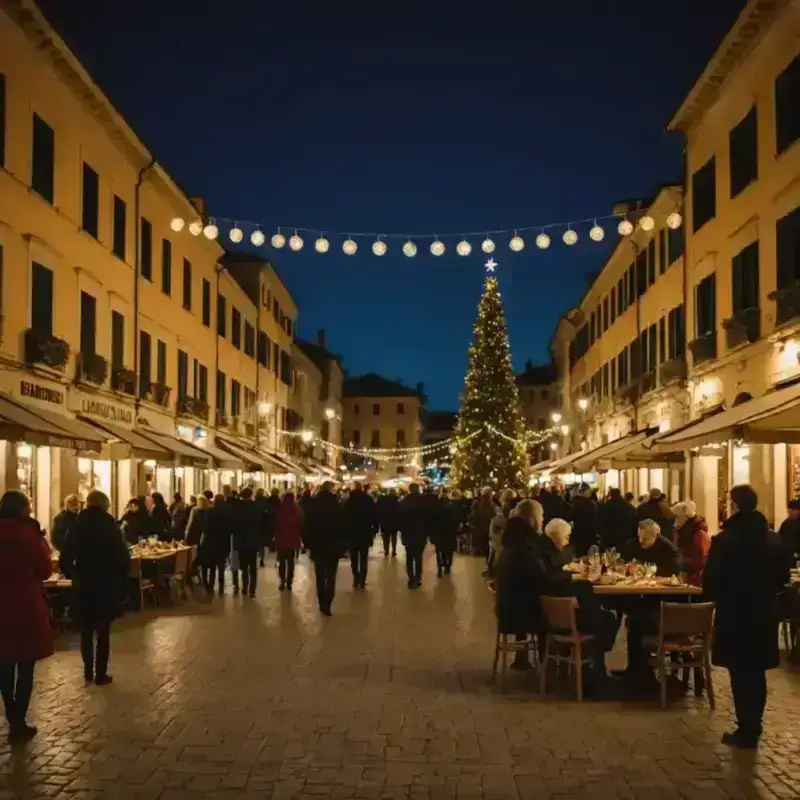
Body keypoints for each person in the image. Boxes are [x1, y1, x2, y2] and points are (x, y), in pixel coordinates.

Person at [704, 484, 792, 749]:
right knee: (756, 672)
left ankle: (746, 727)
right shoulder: (772, 538)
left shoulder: (725, 539)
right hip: (763, 613)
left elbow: (711, 581)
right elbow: (783, 578)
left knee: (740, 672)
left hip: (735, 614)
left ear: (734, 505)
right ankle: (754, 724)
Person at [59, 490, 130, 686]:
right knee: (103, 630)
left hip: (84, 583)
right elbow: (123, 557)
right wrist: (121, 579)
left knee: (86, 630)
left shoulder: (77, 525)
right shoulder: (110, 526)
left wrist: (72, 574)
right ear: (105, 504)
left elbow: (65, 556)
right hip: (106, 584)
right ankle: (101, 673)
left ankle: (87, 670)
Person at [0, 491, 53, 744]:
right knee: (25, 665)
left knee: (4, 664)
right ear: (23, 509)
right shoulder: (29, 533)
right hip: (25, 606)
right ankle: (18, 720)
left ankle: (12, 714)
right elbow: (45, 569)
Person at [304, 481, 345, 615]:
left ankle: (322, 601)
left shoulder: (313, 506)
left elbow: (307, 527)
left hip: (318, 546)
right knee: (331, 575)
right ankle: (329, 601)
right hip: (333, 546)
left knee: (320, 575)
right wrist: (343, 546)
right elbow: (343, 527)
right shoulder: (338, 506)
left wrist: (307, 543)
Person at [671, 500, 710, 586]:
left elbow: (702, 560)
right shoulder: (681, 532)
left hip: (695, 581)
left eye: (677, 517)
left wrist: (679, 561)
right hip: (684, 578)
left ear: (685, 517)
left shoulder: (699, 534)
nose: (675, 520)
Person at [344, 482, 376, 589]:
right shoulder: (368, 500)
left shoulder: (348, 501)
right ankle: (362, 579)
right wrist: (374, 530)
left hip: (352, 533)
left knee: (353, 557)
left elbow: (344, 517)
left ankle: (355, 576)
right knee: (363, 557)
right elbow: (373, 516)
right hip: (365, 532)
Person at [235, 487, 263, 597]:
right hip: (253, 541)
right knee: (253, 567)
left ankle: (245, 587)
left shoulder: (237, 508)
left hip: (241, 542)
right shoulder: (256, 507)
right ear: (251, 495)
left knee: (244, 567)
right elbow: (260, 524)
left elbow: (235, 525)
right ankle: (252, 590)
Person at [400, 483, 429, 589]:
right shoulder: (424, 502)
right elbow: (428, 519)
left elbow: (400, 518)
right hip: (420, 533)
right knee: (418, 557)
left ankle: (411, 578)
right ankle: (418, 578)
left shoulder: (404, 502)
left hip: (408, 533)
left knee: (409, 556)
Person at [202, 494, 232, 595]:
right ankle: (221, 586)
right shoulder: (228, 512)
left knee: (212, 566)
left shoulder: (210, 512)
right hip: (223, 541)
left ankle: (211, 586)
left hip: (211, 541)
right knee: (221, 564)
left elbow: (205, 528)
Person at [275, 492, 303, 591]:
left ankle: (282, 581)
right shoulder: (297, 509)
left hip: (281, 540)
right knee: (291, 563)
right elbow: (301, 525)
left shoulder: (280, 509)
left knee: (281, 563)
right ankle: (289, 583)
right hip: (292, 540)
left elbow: (276, 524)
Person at [433, 490, 461, 576]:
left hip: (439, 533)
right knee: (449, 551)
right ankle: (447, 567)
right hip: (450, 533)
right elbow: (456, 520)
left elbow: (432, 522)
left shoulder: (436, 509)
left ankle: (439, 568)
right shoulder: (452, 508)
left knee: (439, 551)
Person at [570, 483, 599, 557]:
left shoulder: (573, 503)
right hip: (590, 536)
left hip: (577, 536)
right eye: (589, 490)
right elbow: (594, 521)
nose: (590, 492)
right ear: (584, 491)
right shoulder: (591, 504)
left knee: (579, 556)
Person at [469, 488, 495, 557]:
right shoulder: (491, 503)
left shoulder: (476, 501)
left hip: (477, 527)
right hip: (487, 527)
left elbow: (472, 513)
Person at [377, 489, 400, 557]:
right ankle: (394, 550)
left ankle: (386, 550)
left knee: (385, 537)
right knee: (394, 537)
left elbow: (379, 510)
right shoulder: (396, 501)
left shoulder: (382, 500)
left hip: (384, 521)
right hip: (394, 521)